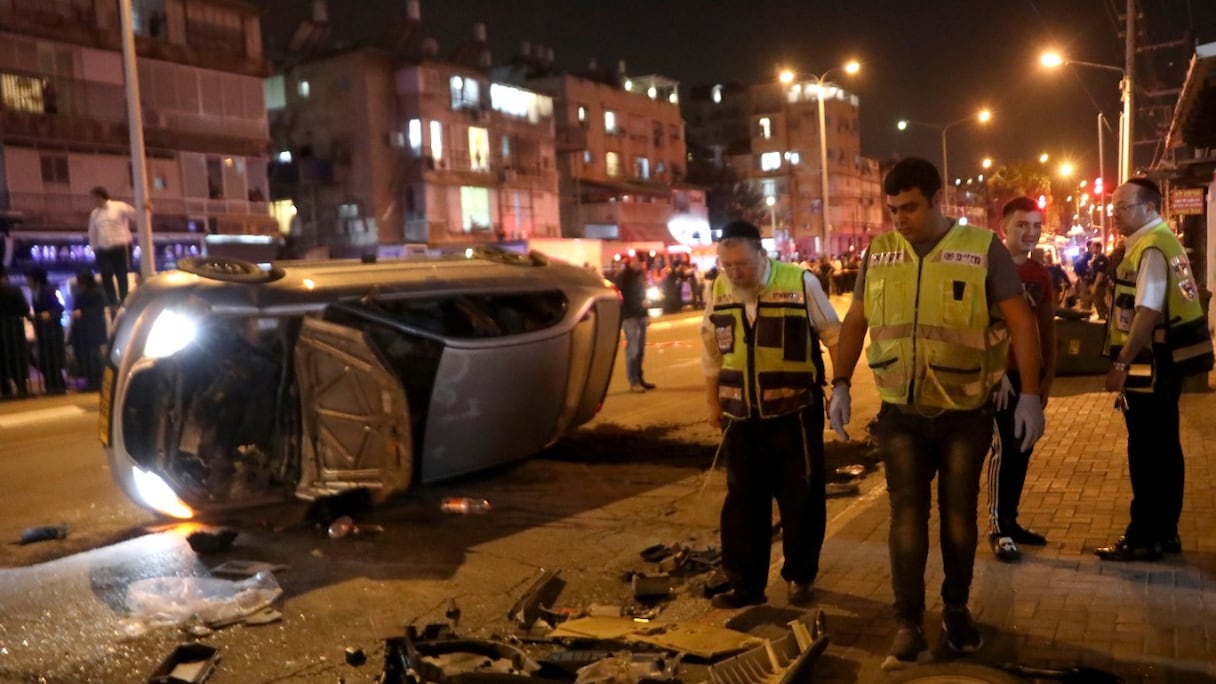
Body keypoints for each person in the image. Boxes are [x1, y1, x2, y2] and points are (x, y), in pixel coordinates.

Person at [828, 158, 1045, 667]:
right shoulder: (879, 253)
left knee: (957, 519)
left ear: (936, 199)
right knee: (906, 517)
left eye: (909, 208)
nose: (899, 218)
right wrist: (839, 384)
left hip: (965, 411)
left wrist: (1030, 393)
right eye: (892, 209)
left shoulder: (981, 249)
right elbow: (856, 320)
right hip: (901, 410)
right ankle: (907, 623)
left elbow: (1021, 322)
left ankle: (955, 608)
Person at [700, 220, 840, 609]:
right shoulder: (719, 289)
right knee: (743, 503)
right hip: (741, 418)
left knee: (801, 497)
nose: (734, 272)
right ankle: (746, 586)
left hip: (794, 414)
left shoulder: (800, 282)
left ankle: (800, 575)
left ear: (763, 255)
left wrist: (841, 387)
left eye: (741, 264)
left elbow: (834, 335)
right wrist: (713, 403)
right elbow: (711, 350)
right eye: (726, 265)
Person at [1096, 178, 1213, 561]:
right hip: (1167, 361)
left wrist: (1120, 363)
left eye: (1122, 207)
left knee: (1146, 452)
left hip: (1151, 364)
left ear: (1149, 208)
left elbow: (1146, 313)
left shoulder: (1151, 248)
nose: (1115, 214)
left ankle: (1144, 535)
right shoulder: (1165, 241)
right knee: (1164, 448)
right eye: (1114, 207)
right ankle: (1165, 532)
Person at [986, 197, 1057, 562]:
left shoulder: (1040, 274)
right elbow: (975, 326)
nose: (1029, 233)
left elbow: (1046, 326)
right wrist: (995, 373)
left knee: (1024, 447)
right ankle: (998, 528)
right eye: (1021, 225)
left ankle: (1012, 522)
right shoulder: (986, 269)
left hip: (1029, 378)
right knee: (1005, 448)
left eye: (1035, 225)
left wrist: (1048, 375)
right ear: (1004, 228)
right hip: (1001, 379)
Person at [87, 186, 137, 306]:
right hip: (103, 248)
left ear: (100, 197)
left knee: (121, 273)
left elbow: (135, 215)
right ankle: (112, 300)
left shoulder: (119, 207)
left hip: (120, 245)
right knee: (106, 274)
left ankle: (124, 298)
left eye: (95, 199)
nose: (94, 202)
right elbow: (92, 232)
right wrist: (94, 248)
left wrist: (145, 210)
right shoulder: (95, 214)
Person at [614, 256, 655, 393]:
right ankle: (633, 381)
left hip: (641, 315)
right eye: (639, 261)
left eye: (642, 262)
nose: (641, 265)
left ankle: (639, 378)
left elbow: (643, 294)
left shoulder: (640, 275)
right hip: (630, 316)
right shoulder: (623, 276)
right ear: (632, 261)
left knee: (640, 351)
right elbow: (619, 297)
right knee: (633, 350)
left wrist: (646, 313)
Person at [27, 267, 66, 395]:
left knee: (52, 360)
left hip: (52, 332)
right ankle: (51, 386)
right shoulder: (35, 293)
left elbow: (59, 307)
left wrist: (49, 314)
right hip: (43, 332)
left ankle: (58, 387)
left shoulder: (48, 290)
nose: (27, 282)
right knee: (46, 361)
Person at [69, 269, 109, 391]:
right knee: (88, 356)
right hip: (85, 331)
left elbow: (99, 309)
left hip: (91, 330)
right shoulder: (83, 293)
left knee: (92, 356)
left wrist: (83, 313)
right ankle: (91, 379)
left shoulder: (96, 293)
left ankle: (95, 380)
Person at [0, 264, 31, 398]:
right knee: (17, 359)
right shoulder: (15, 290)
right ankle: (22, 389)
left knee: (2, 362)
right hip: (15, 332)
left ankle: (6, 391)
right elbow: (24, 309)